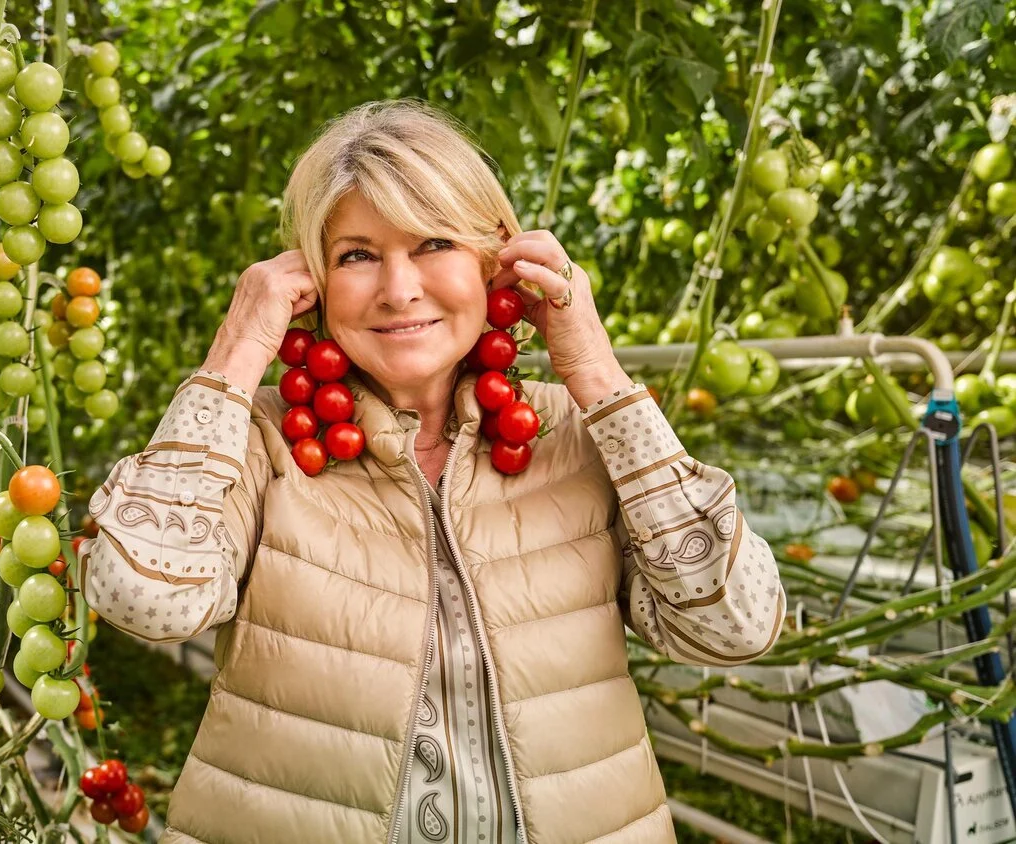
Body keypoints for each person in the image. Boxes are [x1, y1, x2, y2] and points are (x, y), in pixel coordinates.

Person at [76, 99, 785, 844]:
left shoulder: (574, 435)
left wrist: (598, 376)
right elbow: (143, 599)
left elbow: (731, 625)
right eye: (356, 254)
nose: (398, 288)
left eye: (434, 243)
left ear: (494, 262)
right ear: (310, 281)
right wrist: (238, 345)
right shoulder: (264, 440)